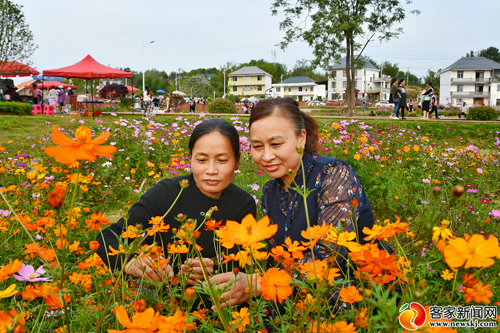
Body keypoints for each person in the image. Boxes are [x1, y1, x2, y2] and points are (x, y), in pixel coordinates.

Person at [210, 97, 382, 307]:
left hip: (356, 295)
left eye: (276, 144)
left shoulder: (334, 175)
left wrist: (260, 282)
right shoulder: (269, 192)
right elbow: (277, 257)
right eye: (257, 146)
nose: (266, 156)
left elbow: (331, 253)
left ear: (301, 138)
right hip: (296, 299)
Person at [96, 118, 256, 286]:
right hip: (159, 295)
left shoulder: (242, 204)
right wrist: (130, 263)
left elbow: (238, 266)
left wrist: (213, 269)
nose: (211, 170)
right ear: (190, 159)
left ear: (237, 161)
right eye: (201, 160)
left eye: (222, 160)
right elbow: (106, 236)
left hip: (213, 300)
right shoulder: (166, 193)